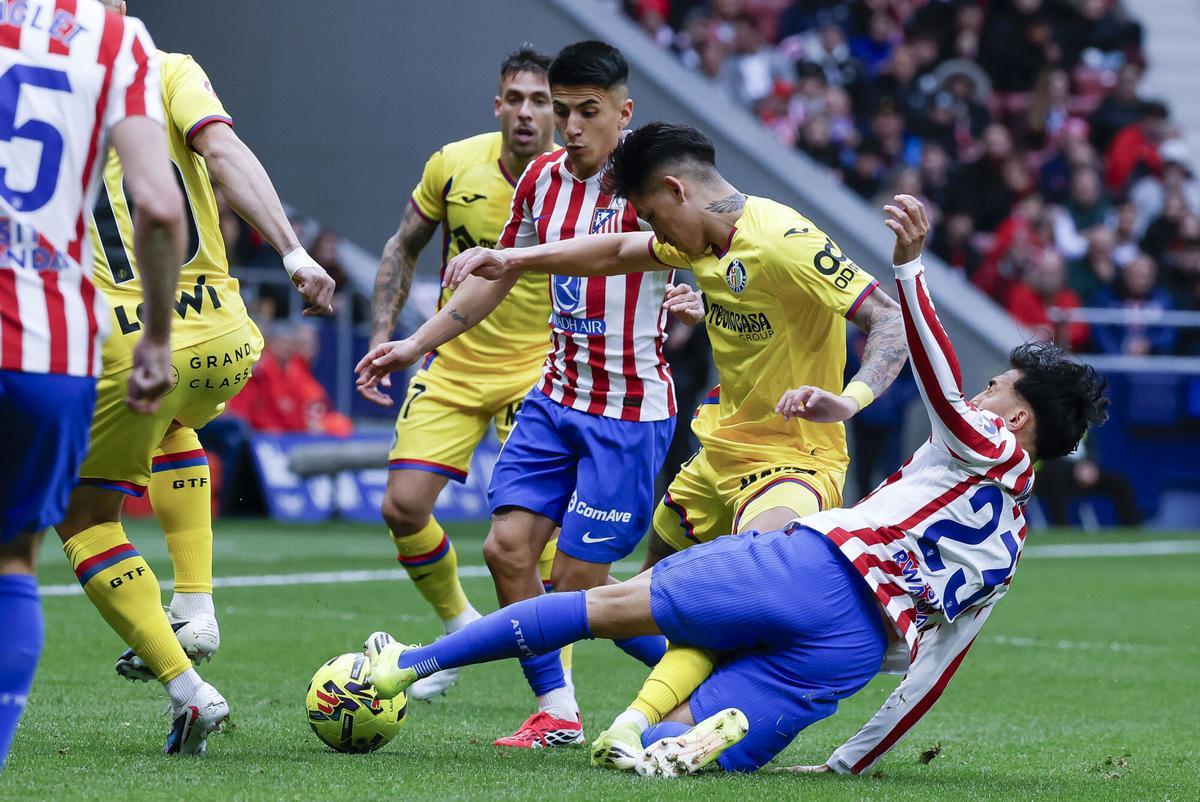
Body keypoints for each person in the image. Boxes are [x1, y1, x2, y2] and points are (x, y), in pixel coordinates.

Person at [361, 195, 1110, 776]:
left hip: (815, 568)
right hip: (852, 652)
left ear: (1019, 420)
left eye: (995, 389)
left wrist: (911, 271)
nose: (980, 397)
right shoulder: (1007, 548)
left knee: (601, 604)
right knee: (666, 746)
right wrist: (850, 760)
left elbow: (941, 389)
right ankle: (678, 732)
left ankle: (405, 665)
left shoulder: (988, 443)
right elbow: (935, 671)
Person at [437, 121, 909, 765]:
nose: (655, 233)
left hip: (793, 462)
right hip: (717, 454)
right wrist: (513, 258)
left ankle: (734, 699)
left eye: (654, 215)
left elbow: (887, 319)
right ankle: (675, 708)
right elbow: (613, 253)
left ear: (675, 189)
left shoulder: (783, 238)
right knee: (650, 593)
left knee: (745, 589)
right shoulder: (699, 240)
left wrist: (847, 399)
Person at [357, 41, 703, 748]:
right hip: (556, 395)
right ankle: (558, 710)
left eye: (586, 112)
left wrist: (684, 299)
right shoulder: (543, 178)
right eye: (564, 109)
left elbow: (616, 254)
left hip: (627, 411)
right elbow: (495, 277)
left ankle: (703, 671)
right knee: (507, 550)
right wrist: (414, 344)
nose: (569, 126)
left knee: (581, 593)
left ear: (623, 113)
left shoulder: (651, 184)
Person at [58, 0, 336, 756]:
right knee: (176, 424)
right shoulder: (170, 68)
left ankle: (187, 688)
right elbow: (224, 155)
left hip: (129, 342)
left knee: (83, 518)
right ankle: (195, 601)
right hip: (225, 336)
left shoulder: (46, 85)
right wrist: (294, 253)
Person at [0, 0, 184, 768]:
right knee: (14, 561)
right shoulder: (117, 38)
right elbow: (160, 206)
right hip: (50, 343)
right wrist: (158, 339)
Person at [356, 47, 560, 701]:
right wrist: (385, 336)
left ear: (556, 110)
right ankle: (458, 626)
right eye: (515, 98)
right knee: (402, 506)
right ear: (496, 104)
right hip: (454, 358)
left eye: (540, 100)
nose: (526, 112)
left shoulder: (579, 179)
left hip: (541, 370)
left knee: (543, 557)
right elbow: (403, 244)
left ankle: (557, 702)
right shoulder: (453, 164)